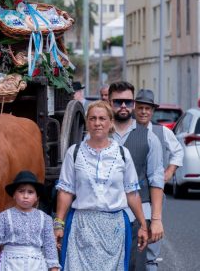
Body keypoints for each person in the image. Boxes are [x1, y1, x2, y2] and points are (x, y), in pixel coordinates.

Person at [55, 101, 149, 270]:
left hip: (114, 228)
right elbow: (65, 191)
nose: (97, 123)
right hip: (82, 226)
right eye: (92, 119)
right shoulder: (74, 152)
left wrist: (143, 225)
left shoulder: (122, 154)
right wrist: (58, 224)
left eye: (102, 118)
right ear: (87, 122)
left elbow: (132, 193)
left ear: (111, 122)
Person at [105, 82, 165, 271]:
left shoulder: (149, 138)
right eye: (118, 102)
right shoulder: (97, 135)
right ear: (109, 101)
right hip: (103, 214)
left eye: (128, 102)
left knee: (135, 266)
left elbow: (156, 179)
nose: (123, 106)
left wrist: (155, 220)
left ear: (133, 104)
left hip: (137, 216)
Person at [130, 89, 182, 270]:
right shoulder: (126, 130)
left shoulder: (161, 132)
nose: (144, 112)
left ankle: (150, 264)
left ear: (152, 111)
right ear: (134, 108)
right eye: (141, 108)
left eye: (148, 108)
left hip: (153, 194)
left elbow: (177, 152)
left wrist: (169, 173)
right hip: (130, 194)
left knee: (152, 240)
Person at [0, 170, 59, 271]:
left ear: (36, 197)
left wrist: (54, 268)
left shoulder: (45, 219)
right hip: (10, 264)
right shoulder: (3, 216)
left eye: (30, 192)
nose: (25, 196)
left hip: (36, 264)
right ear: (14, 195)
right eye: (21, 191)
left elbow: (50, 245)